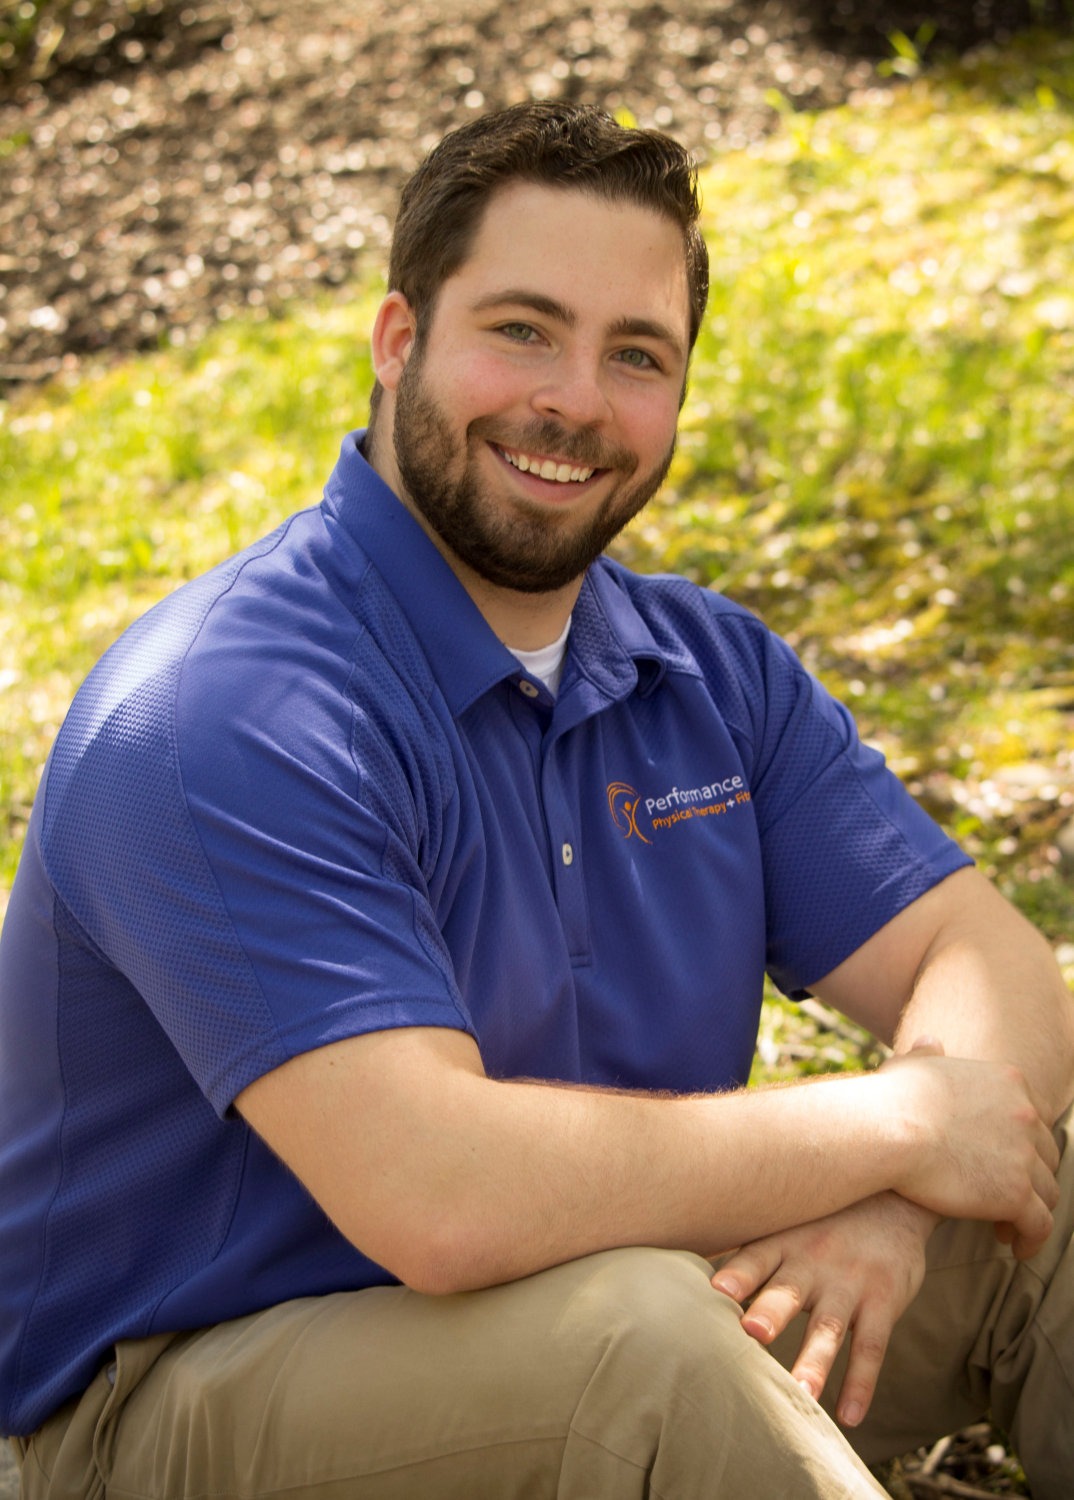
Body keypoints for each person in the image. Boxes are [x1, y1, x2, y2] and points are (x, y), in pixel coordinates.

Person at [1, 100, 1072, 1500]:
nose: (573, 399)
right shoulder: (226, 711)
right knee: (645, 1354)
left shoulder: (705, 670)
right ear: (398, 342)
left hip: (621, 1288)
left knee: (1025, 1205)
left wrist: (892, 1197)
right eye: (520, 329)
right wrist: (896, 1127)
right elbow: (439, 1199)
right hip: (174, 1396)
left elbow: (980, 959)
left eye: (636, 354)